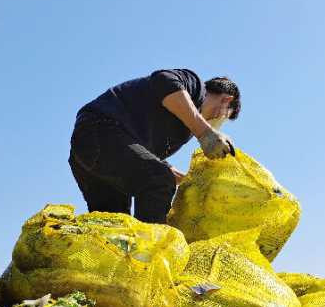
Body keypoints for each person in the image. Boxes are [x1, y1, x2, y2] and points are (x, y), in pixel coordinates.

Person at [69, 69, 240, 224]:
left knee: (115, 226)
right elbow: (164, 80)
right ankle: (151, 254)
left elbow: (141, 158)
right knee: (159, 179)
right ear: (226, 100)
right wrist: (205, 133)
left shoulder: (184, 128)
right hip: (100, 130)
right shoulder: (194, 86)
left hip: (92, 153)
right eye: (224, 115)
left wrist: (187, 181)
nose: (218, 121)